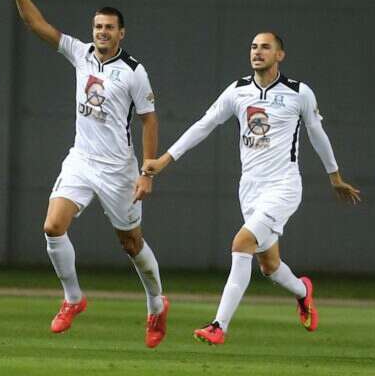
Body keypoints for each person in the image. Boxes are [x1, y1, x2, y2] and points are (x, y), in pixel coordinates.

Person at [142, 32, 361, 345]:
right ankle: (303, 291)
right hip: (249, 189)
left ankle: (218, 325)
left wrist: (334, 176)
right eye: (254, 47)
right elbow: (204, 124)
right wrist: (165, 159)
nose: (257, 52)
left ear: (280, 55)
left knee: (241, 243)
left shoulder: (299, 93)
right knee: (269, 265)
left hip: (283, 186)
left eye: (265, 47)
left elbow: (317, 134)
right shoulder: (237, 91)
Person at [2, 0, 169, 348]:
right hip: (81, 159)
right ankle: (73, 299)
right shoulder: (81, 53)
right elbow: (36, 24)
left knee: (131, 244)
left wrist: (147, 172)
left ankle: (156, 304)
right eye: (98, 26)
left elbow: (149, 120)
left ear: (121, 33)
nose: (102, 32)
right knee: (52, 226)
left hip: (119, 169)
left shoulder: (134, 71)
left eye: (109, 27)